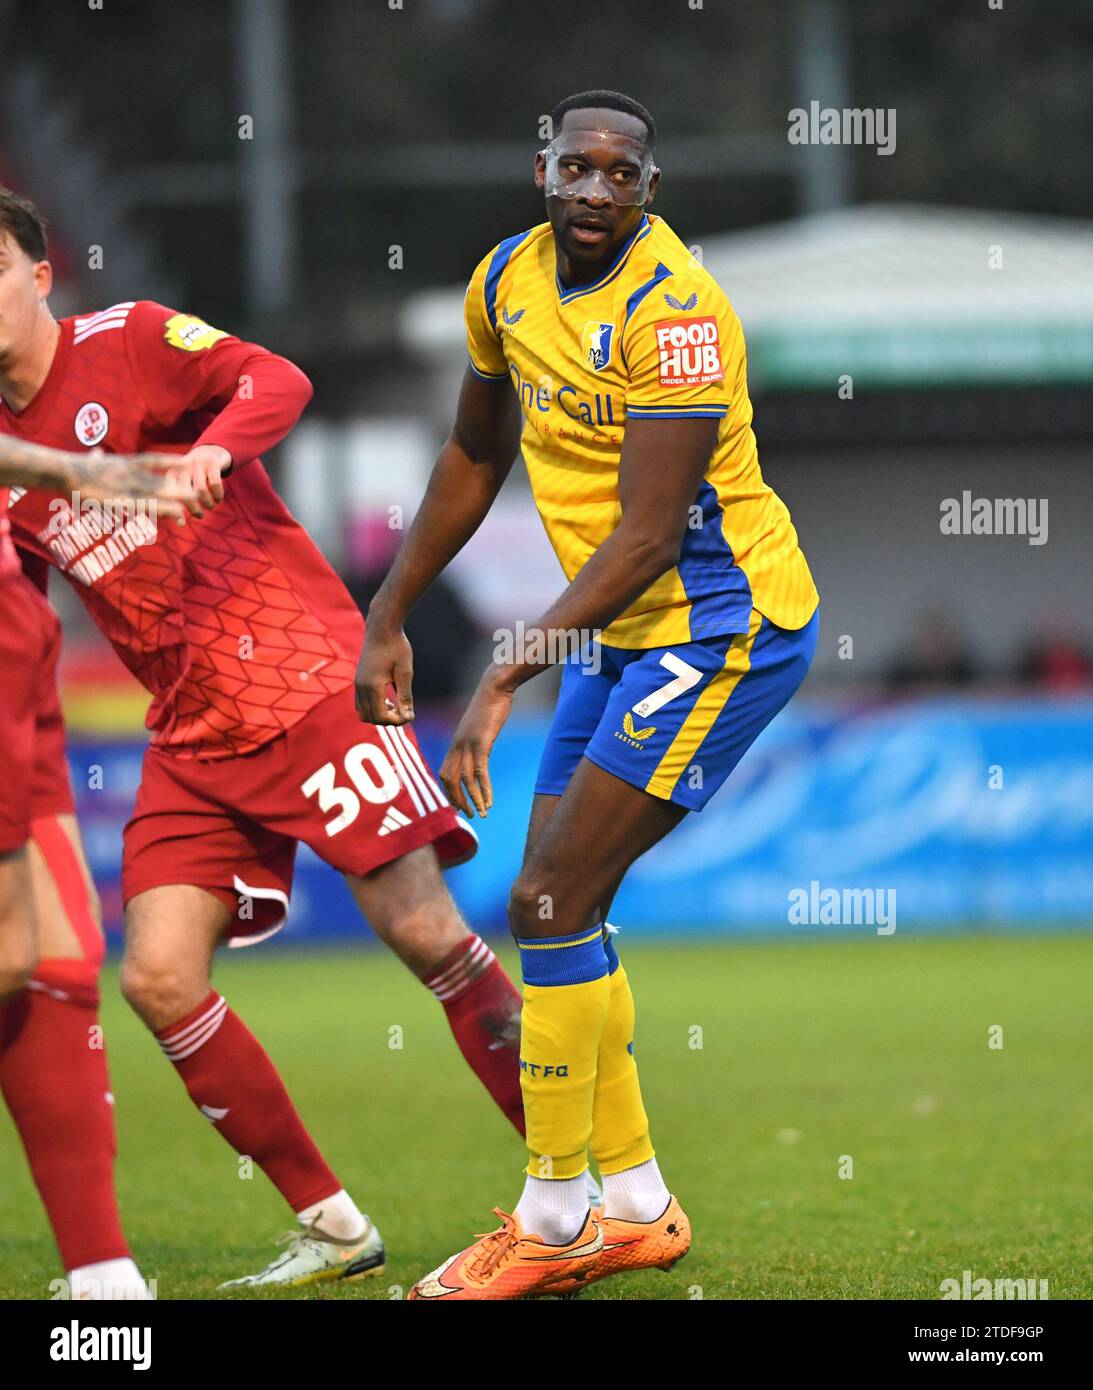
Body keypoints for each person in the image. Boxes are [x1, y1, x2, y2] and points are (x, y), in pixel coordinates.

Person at [0, 185, 525, 1289]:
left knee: (429, 936)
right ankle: (334, 1224)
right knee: (155, 977)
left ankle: (585, 1188)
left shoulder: (131, 340)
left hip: (304, 681)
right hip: (190, 734)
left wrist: (214, 453)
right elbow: (28, 612)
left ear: (40, 277)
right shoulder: (7, 463)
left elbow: (276, 378)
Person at [357, 90, 820, 1300]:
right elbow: (472, 454)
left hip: (722, 625)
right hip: (618, 633)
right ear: (543, 170)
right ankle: (632, 1205)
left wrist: (509, 660)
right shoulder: (502, 283)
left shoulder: (676, 315)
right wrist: (389, 609)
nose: (599, 192)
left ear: (649, 189)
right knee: (563, 907)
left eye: (624, 175)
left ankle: (552, 1220)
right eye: (579, 167)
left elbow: (654, 535)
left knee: (549, 894)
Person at [0, 422, 190, 1300]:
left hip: (15, 631)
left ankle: (103, 1275)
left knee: (61, 956)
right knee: (11, 950)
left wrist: (80, 470)